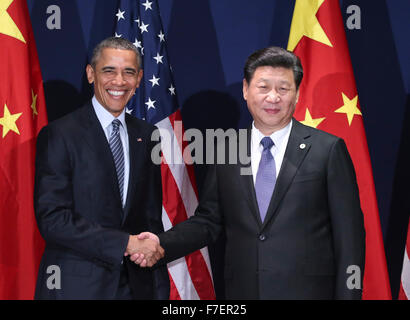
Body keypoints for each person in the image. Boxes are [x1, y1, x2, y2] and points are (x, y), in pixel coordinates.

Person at [132, 46, 366, 299]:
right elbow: (209, 221)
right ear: (246, 89)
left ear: (297, 94)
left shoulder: (327, 149)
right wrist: (161, 244)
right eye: (263, 87)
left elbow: (350, 236)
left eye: (283, 89)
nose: (273, 97)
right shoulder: (227, 149)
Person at [33, 37, 169, 300]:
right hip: (76, 289)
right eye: (109, 71)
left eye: (129, 72)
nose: (119, 81)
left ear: (139, 78)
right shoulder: (60, 134)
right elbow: (53, 219)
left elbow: (151, 217)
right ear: (90, 74)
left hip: (136, 288)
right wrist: (125, 243)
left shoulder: (148, 135)